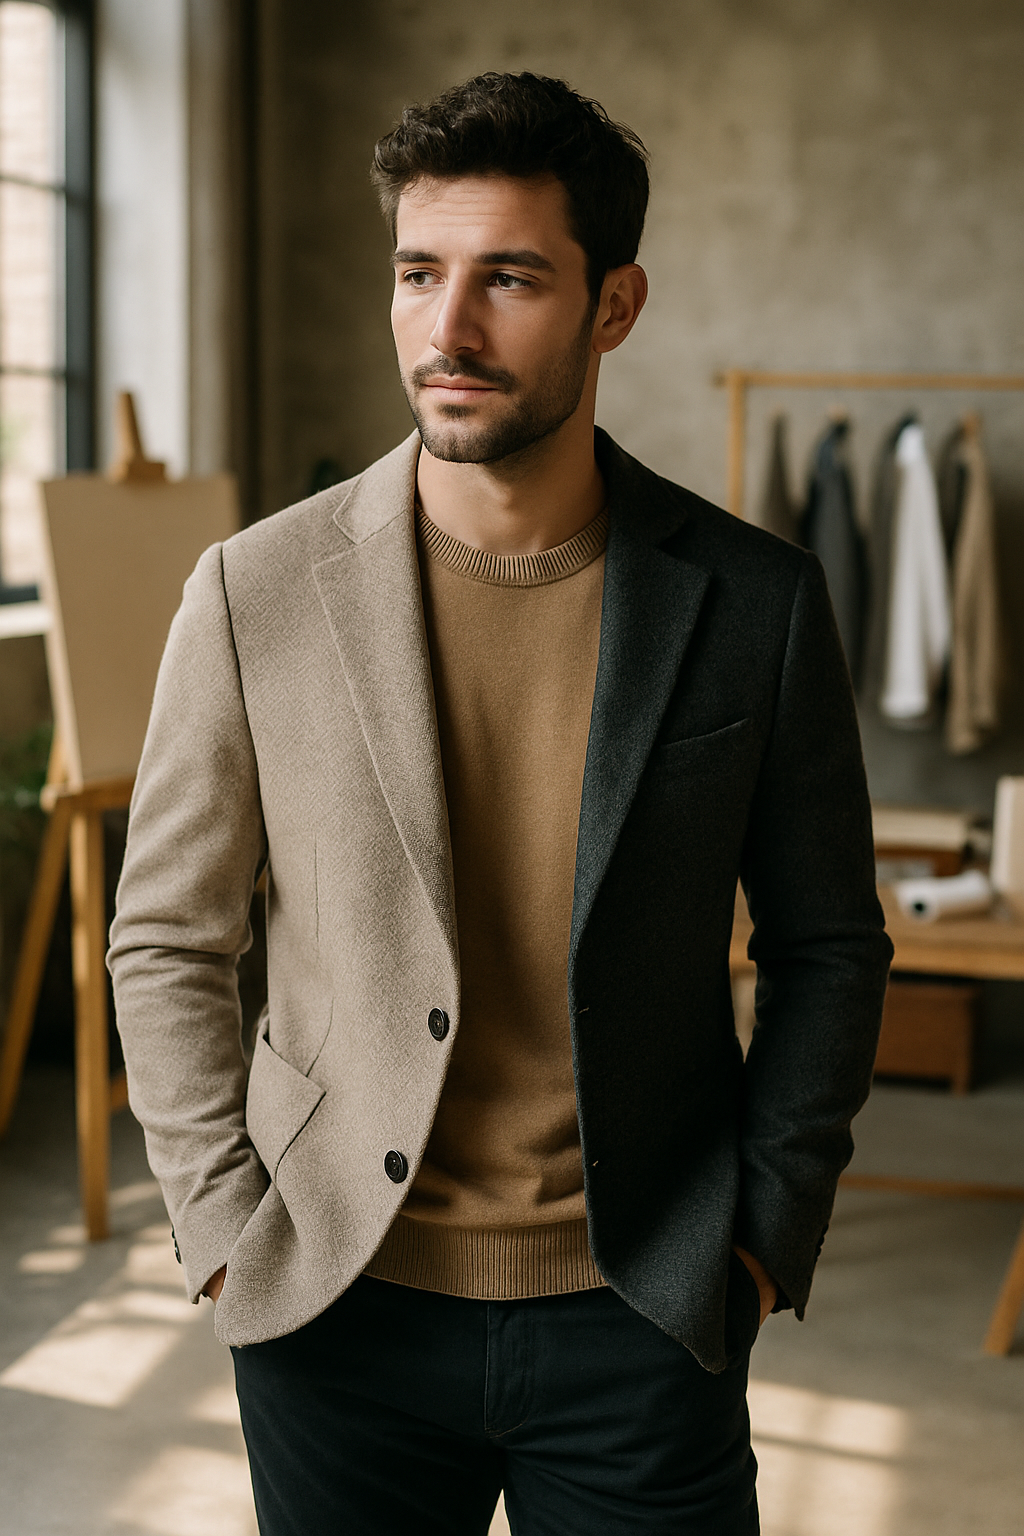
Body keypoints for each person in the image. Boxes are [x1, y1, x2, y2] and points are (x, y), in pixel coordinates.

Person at [108, 71, 892, 1536]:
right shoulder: (253, 592)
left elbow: (831, 947)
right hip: (335, 1302)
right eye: (420, 273)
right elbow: (165, 938)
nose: (448, 329)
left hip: (644, 1306)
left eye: (511, 279)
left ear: (614, 305)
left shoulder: (754, 605)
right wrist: (223, 1230)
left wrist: (765, 1233)